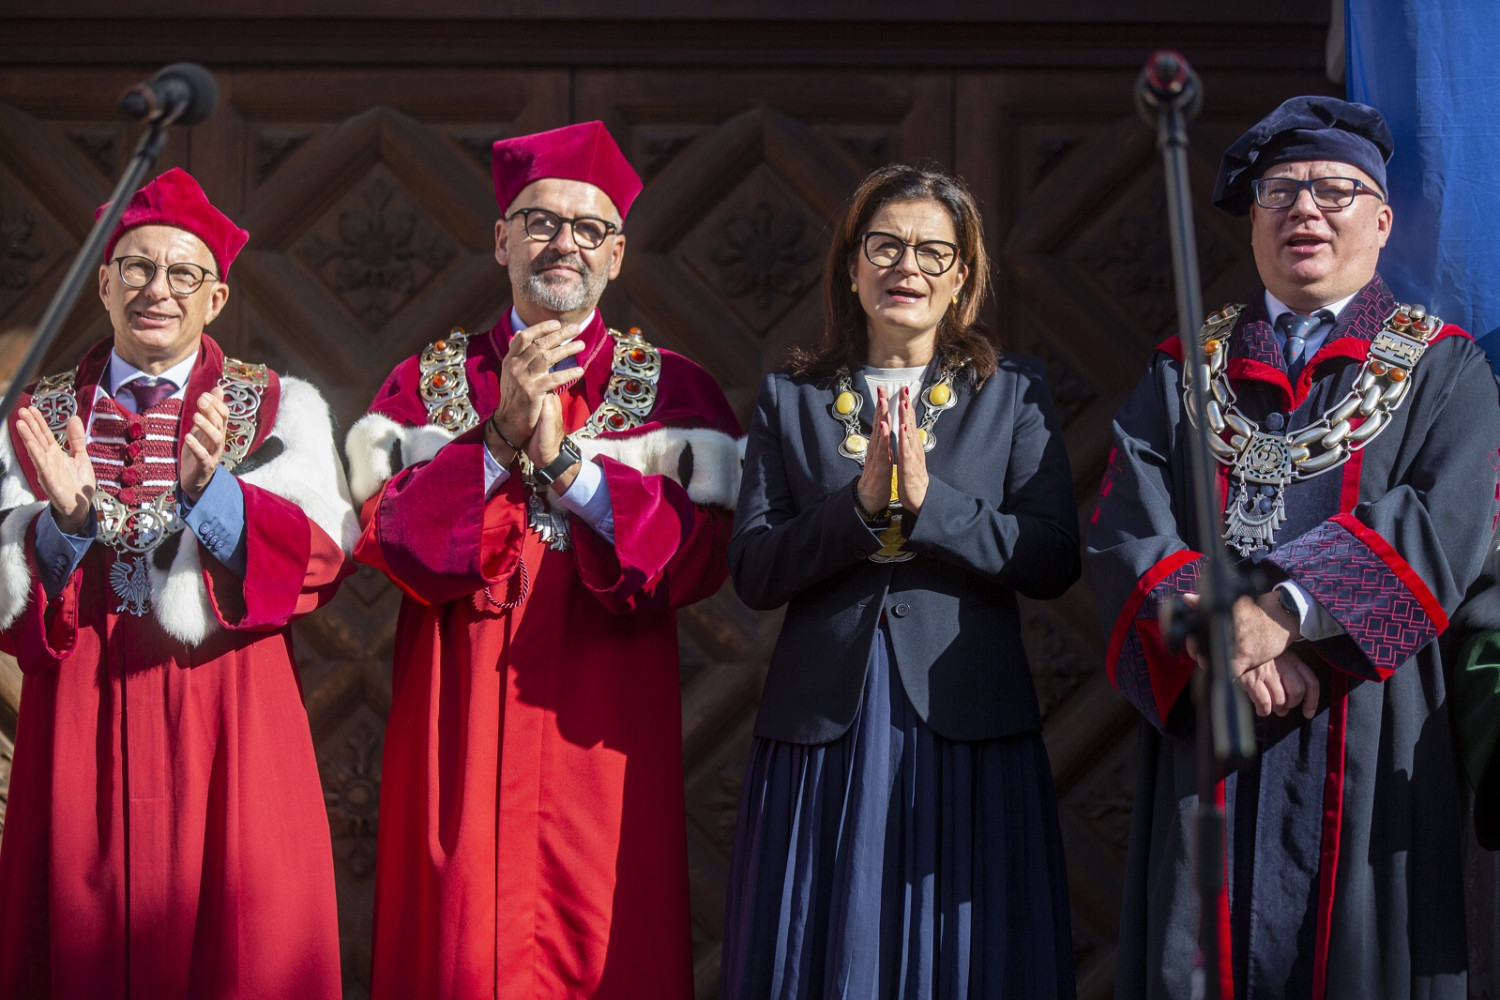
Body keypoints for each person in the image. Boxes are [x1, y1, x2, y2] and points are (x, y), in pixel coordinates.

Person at [1087, 96, 1500, 999]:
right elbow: (1124, 530)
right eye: (1280, 191)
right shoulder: (1183, 371)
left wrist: (1285, 617)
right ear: (1253, 219)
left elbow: (1448, 523)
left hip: (1373, 739)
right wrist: (1221, 640)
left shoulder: (1444, 370)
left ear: (1383, 222)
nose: (1305, 209)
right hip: (1213, 734)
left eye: (1335, 190)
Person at [346, 120, 743, 999]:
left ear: (617, 255)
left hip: (599, 728)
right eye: (540, 222)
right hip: (460, 712)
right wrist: (495, 440)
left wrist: (569, 468)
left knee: (604, 940)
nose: (564, 241)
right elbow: (394, 541)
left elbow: (699, 561)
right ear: (501, 240)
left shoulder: (675, 389)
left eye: (588, 228)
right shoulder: (425, 385)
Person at [720, 163, 1080, 1000]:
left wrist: (932, 505)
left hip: (968, 721)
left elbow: (1052, 556)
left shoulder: (1012, 395)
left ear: (961, 277)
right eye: (883, 245)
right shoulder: (792, 398)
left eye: (931, 250)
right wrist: (854, 508)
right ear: (852, 268)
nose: (905, 266)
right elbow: (754, 570)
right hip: (825, 726)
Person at [0, 167, 355, 998]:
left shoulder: (276, 409)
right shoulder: (36, 418)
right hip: (80, 713)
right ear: (102, 282)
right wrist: (64, 523)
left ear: (216, 298)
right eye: (136, 267)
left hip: (229, 709)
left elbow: (323, 557)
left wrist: (214, 497)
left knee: (243, 950)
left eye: (182, 273)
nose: (157, 289)